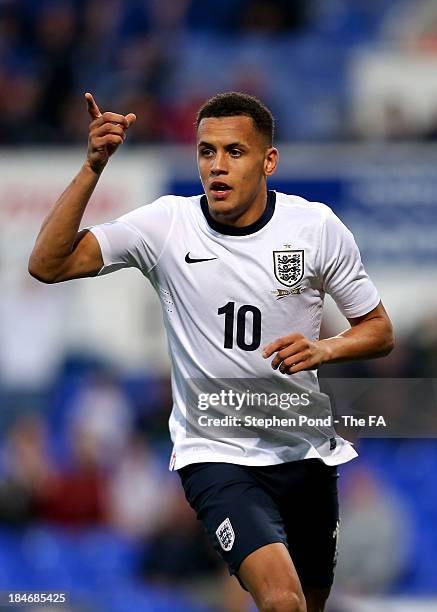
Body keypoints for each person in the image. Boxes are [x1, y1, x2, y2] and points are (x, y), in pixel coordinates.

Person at [29, 91, 394, 612]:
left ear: (268, 161)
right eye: (206, 152)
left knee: (307, 605)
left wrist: (324, 348)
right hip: (217, 455)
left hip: (305, 454)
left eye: (234, 152)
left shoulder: (314, 228)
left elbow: (379, 331)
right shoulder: (165, 226)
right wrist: (93, 167)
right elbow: (47, 263)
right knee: (282, 600)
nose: (217, 167)